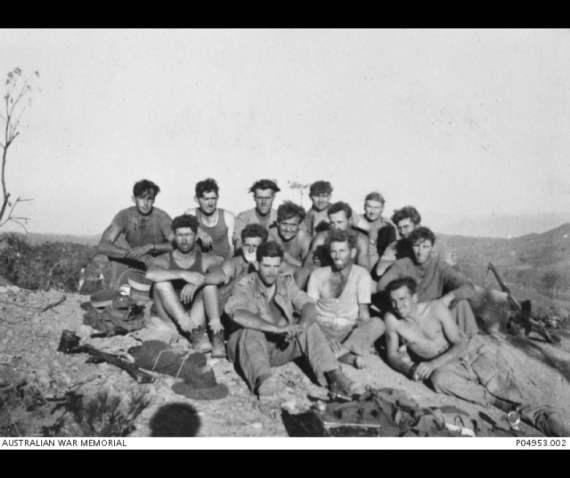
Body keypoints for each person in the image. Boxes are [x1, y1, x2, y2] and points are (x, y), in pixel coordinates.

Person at [384, 277, 570, 436]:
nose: (398, 306)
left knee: (508, 389)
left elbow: (460, 342)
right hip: (446, 367)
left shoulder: (435, 308)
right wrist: (409, 369)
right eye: (393, 301)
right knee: (439, 379)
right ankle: (501, 404)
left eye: (403, 299)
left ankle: (548, 421)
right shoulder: (392, 320)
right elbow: (392, 354)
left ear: (414, 297)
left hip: (469, 351)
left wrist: (431, 364)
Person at [224, 241, 357, 398]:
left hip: (278, 347)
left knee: (310, 326)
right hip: (247, 349)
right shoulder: (245, 285)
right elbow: (238, 314)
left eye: (275, 266)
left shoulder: (286, 282)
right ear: (257, 264)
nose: (272, 272)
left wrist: (301, 326)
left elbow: (308, 305)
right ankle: (263, 379)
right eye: (266, 266)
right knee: (251, 329)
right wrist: (276, 328)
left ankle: (334, 376)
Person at [145, 215, 226, 356]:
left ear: (195, 237)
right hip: (169, 320)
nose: (184, 240)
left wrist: (198, 282)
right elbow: (150, 274)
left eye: (188, 235)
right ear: (174, 238)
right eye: (180, 235)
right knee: (161, 284)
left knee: (210, 285)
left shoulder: (204, 258)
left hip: (194, 322)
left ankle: (216, 333)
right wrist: (182, 274)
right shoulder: (164, 258)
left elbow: (220, 275)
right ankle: (193, 333)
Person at [377, 227, 478, 337]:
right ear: (411, 246)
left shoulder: (440, 266)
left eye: (425, 246)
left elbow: (469, 287)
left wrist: (448, 297)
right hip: (410, 320)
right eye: (416, 246)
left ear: (432, 247)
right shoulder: (402, 265)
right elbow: (382, 286)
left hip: (434, 318)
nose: (420, 252)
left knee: (462, 303)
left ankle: (469, 342)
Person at [307, 230, 385, 369]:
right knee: (303, 327)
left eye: (342, 251)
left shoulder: (362, 275)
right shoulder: (317, 275)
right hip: (321, 329)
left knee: (378, 323)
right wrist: (326, 335)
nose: (337, 256)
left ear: (353, 252)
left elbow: (364, 313)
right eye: (333, 251)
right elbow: (309, 312)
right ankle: (347, 357)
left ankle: (338, 352)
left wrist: (365, 336)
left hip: (348, 332)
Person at [98, 180, 174, 290]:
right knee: (116, 240)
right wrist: (135, 255)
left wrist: (149, 247)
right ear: (134, 199)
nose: (146, 203)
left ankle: (159, 292)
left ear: (154, 200)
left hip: (154, 263)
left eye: (149, 199)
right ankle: (117, 291)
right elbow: (102, 245)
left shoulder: (161, 217)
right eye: (141, 198)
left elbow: (178, 245)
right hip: (131, 260)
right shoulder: (124, 215)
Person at [377, 206, 456, 276]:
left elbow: (454, 269)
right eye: (399, 228)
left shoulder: (437, 243)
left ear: (417, 225)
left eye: (406, 227)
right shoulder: (397, 246)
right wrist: (409, 263)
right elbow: (379, 271)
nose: (402, 232)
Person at [304, 201, 370, 271]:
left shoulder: (360, 239)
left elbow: (364, 269)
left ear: (350, 221)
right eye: (332, 223)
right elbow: (307, 265)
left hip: (351, 279)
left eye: (339, 222)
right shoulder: (321, 237)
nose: (336, 227)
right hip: (326, 277)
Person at [184, 178, 236, 264]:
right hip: (199, 261)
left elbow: (232, 249)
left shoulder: (228, 216)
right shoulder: (191, 214)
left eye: (213, 198)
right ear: (196, 199)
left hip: (223, 261)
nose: (210, 203)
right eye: (206, 199)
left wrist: (225, 266)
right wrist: (198, 230)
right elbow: (181, 235)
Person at [353, 192, 397, 276]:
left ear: (382, 209)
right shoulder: (357, 223)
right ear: (364, 207)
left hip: (379, 268)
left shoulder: (388, 226)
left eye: (376, 207)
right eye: (369, 207)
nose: (372, 211)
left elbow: (392, 251)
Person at [234, 179, 280, 252]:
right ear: (254, 197)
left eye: (267, 198)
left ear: (273, 197)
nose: (263, 202)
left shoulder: (280, 217)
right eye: (260, 198)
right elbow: (239, 247)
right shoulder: (243, 217)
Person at [268, 201, 311, 275]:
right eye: (284, 224)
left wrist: (287, 257)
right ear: (278, 223)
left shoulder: (302, 237)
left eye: (293, 225)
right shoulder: (270, 235)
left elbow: (308, 269)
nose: (288, 229)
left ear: (299, 225)